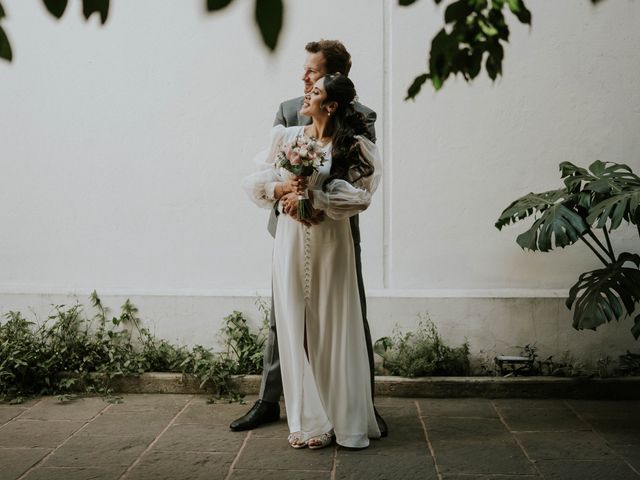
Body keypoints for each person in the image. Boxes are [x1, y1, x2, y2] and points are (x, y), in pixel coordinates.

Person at [231, 40, 387, 437]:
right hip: (290, 227)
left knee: (349, 315)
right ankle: (269, 400)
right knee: (281, 317)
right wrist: (287, 198)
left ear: (335, 78)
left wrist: (318, 199)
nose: (304, 78)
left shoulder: (362, 117)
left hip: (334, 231)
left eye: (312, 73)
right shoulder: (288, 113)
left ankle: (358, 404)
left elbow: (356, 177)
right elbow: (273, 172)